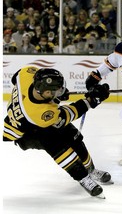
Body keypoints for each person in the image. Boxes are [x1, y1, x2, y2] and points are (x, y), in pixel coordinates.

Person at [3, 66, 112, 198]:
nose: (58, 92)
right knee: (56, 143)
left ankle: (91, 170)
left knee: (72, 135)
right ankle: (83, 178)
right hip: (24, 133)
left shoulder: (26, 73)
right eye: (54, 91)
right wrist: (90, 101)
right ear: (46, 92)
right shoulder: (40, 113)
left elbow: (16, 76)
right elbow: (66, 115)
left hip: (30, 117)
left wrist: (56, 95)